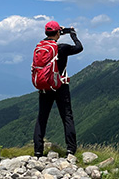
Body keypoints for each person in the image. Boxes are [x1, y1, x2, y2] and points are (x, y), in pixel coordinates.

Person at [33, 20, 83, 157]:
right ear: (58, 33)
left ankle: (38, 151)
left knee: (42, 118)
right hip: (60, 86)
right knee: (67, 117)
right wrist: (72, 33)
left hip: (45, 86)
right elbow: (79, 47)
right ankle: (70, 150)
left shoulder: (40, 46)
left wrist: (57, 31)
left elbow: (48, 38)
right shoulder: (62, 48)